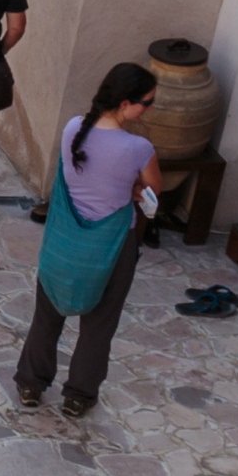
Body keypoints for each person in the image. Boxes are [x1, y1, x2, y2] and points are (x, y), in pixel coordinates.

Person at [16, 63, 165, 419]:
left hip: (64, 241)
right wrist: (130, 189)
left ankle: (30, 384)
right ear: (126, 103)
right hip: (111, 247)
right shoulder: (138, 148)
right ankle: (79, 395)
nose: (149, 109)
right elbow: (154, 193)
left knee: (46, 316)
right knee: (99, 325)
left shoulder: (73, 129)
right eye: (147, 103)